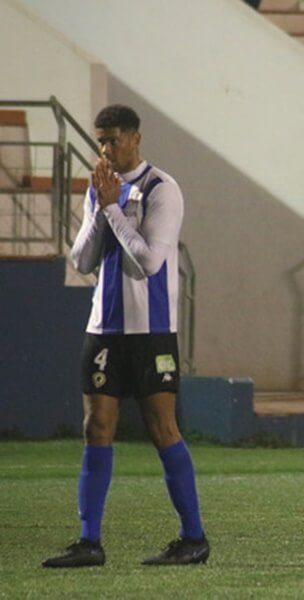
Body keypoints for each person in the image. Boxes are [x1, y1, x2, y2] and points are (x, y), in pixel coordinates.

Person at [42, 105, 209, 568]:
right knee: (96, 428)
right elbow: (82, 260)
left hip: (151, 332)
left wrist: (113, 206)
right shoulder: (102, 189)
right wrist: (100, 206)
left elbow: (150, 262)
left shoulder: (162, 189)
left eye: (113, 140)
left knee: (162, 429)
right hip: (105, 329)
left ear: (136, 138)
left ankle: (194, 538)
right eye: (100, 141)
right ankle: (89, 542)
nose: (105, 150)